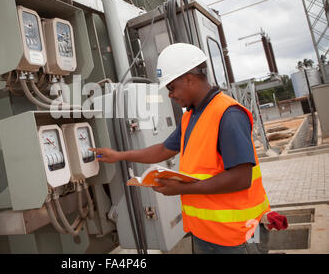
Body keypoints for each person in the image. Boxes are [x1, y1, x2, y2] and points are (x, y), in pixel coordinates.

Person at [90, 43, 271, 254]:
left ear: (189, 79)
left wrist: (181, 189)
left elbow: (241, 178)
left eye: (171, 87)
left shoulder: (228, 114)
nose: (170, 95)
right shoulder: (191, 116)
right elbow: (163, 150)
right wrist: (120, 155)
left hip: (239, 237)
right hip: (207, 234)